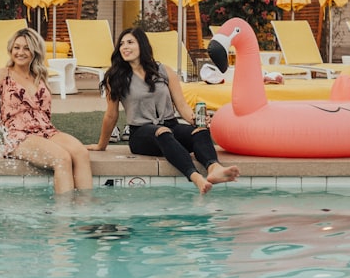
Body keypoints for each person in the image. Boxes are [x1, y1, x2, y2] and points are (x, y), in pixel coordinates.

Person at [88, 27, 240, 195]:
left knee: (200, 131)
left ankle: (214, 168)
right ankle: (196, 177)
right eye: (122, 44)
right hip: (141, 134)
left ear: (142, 45)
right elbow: (111, 115)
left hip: (171, 125)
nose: (125, 47)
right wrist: (101, 145)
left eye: (130, 42)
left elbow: (181, 105)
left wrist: (195, 121)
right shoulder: (115, 77)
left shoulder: (164, 71)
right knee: (163, 132)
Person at [0, 28, 93, 194]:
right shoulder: (2, 75)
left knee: (81, 153)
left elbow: (44, 114)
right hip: (20, 136)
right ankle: (65, 216)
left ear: (35, 51)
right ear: (10, 49)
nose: (20, 52)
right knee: (62, 158)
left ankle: (86, 212)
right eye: (16, 47)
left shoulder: (39, 75)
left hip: (47, 131)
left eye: (26, 48)